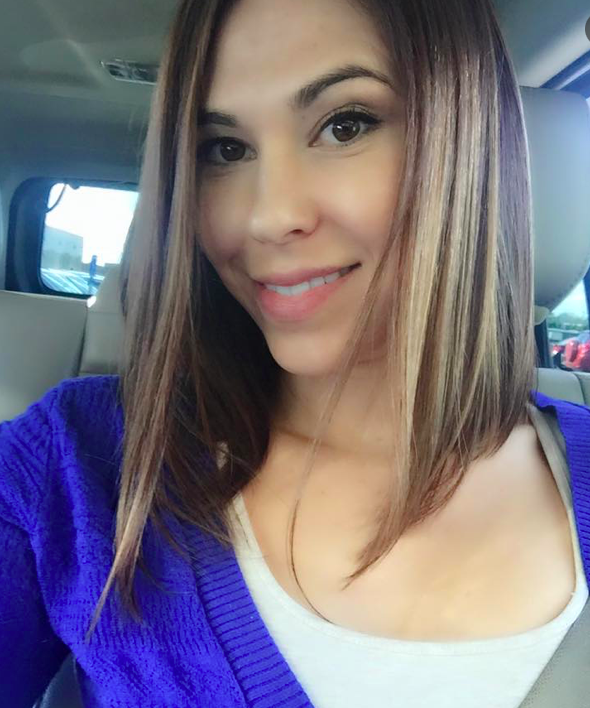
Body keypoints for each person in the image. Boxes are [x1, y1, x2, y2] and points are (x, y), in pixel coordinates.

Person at [1, 0, 589, 706]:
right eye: (225, 149)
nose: (269, 216)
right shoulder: (79, 467)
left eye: (346, 125)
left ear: (471, 143)